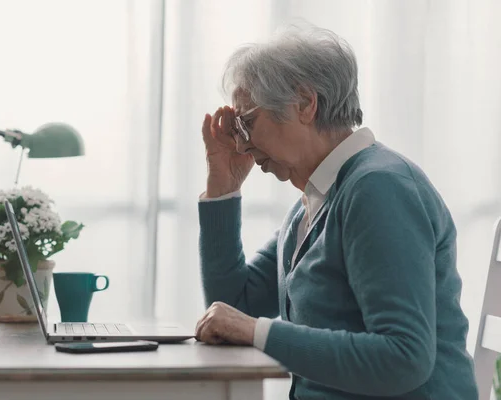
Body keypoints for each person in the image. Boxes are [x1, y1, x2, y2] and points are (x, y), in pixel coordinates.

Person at [194, 25, 478, 399]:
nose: (242, 145)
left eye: (247, 122)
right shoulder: (314, 203)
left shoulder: (378, 189)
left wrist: (257, 332)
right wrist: (223, 189)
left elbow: (404, 358)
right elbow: (231, 311)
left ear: (305, 104)